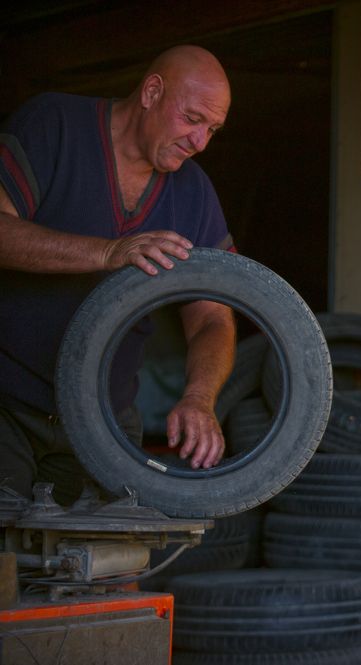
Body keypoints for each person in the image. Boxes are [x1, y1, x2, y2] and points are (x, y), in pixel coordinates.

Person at [0, 45, 237, 504]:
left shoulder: (193, 193)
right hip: (7, 406)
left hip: (102, 422)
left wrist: (200, 397)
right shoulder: (55, 126)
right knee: (9, 562)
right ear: (152, 92)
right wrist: (108, 251)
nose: (200, 142)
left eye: (213, 129)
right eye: (192, 119)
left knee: (102, 565)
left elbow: (213, 315)